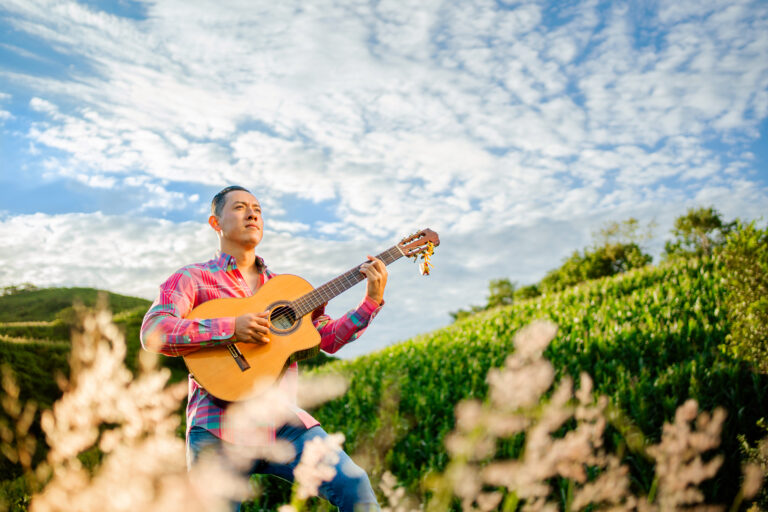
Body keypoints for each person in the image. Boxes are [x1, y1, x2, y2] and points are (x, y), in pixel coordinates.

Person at [140, 185, 387, 511]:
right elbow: (155, 331)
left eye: (257, 208)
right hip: (217, 426)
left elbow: (327, 338)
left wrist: (370, 302)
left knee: (355, 486)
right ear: (216, 223)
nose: (252, 213)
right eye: (240, 207)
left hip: (283, 424)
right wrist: (230, 328)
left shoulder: (287, 288)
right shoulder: (192, 278)